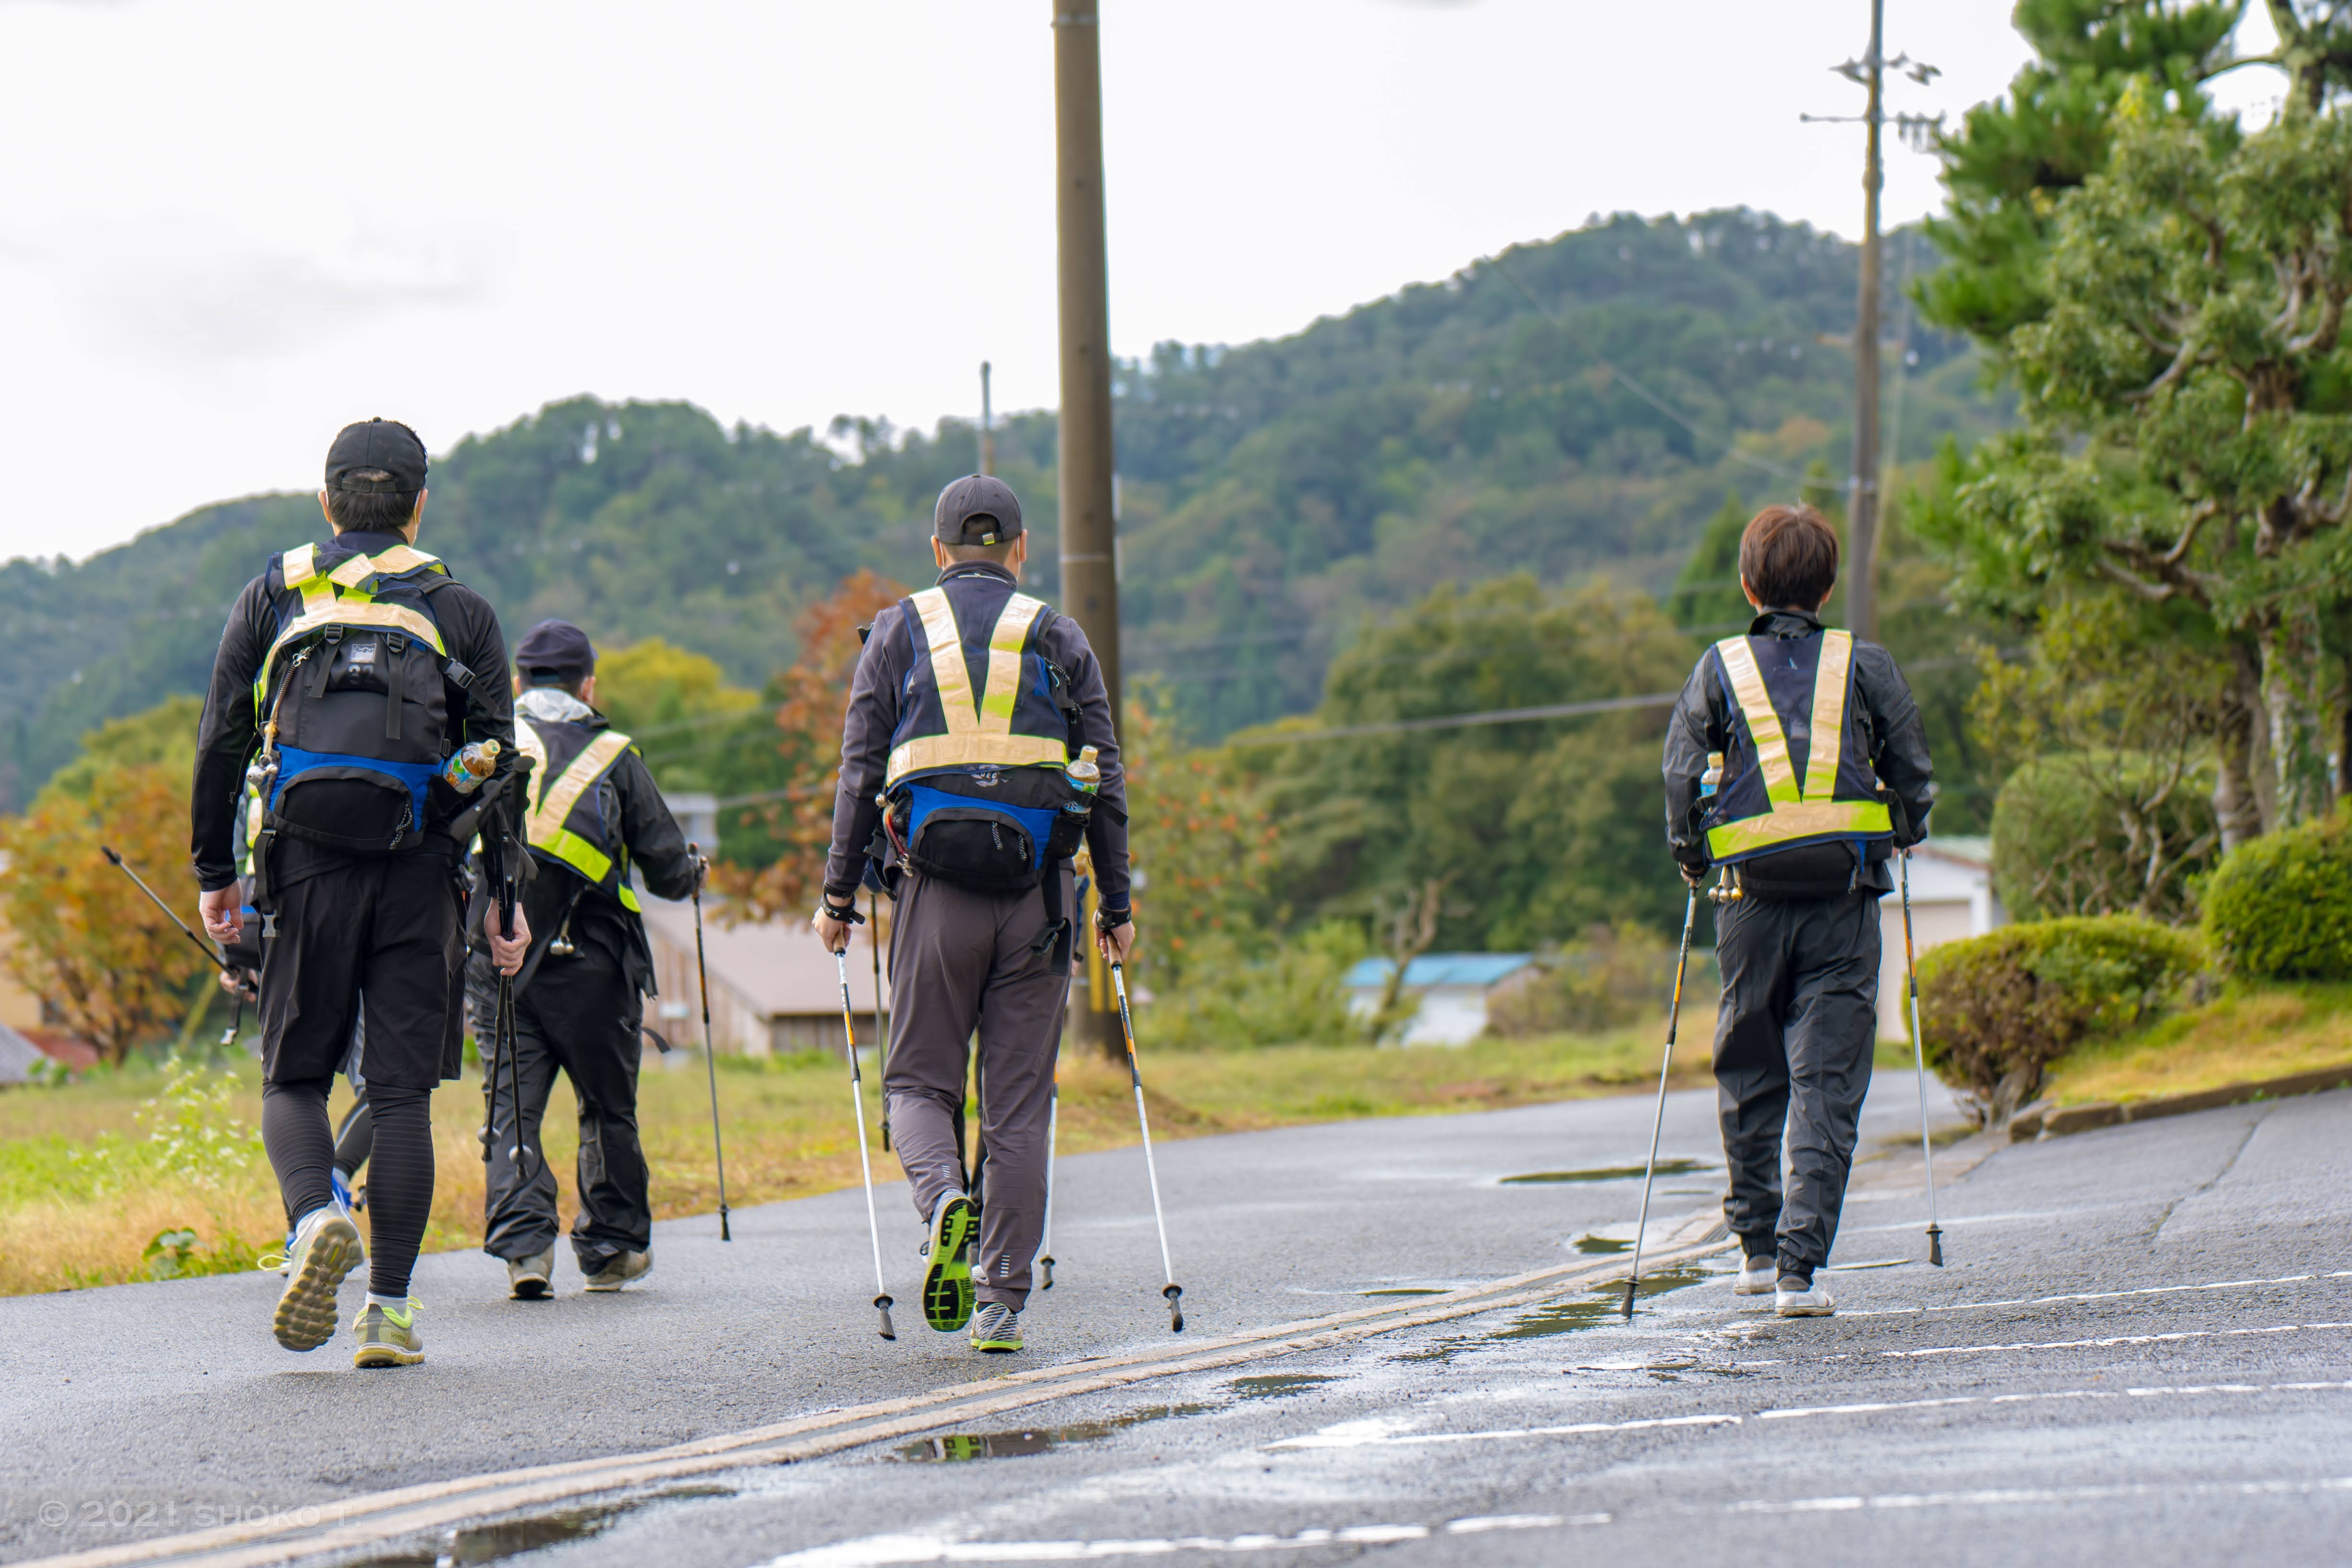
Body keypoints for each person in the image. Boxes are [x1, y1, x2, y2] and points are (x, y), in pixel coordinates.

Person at [193, 417, 530, 1368]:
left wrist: (215, 873)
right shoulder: (456, 607)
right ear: (419, 506)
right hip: (422, 872)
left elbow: (222, 734)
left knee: (295, 1077)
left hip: (302, 864)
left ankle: (312, 1217)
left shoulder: (277, 591)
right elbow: (498, 761)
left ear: (327, 500)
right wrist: (504, 895)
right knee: (400, 1094)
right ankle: (387, 1314)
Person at [813, 474, 1133, 1355]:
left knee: (918, 1083)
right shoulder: (1058, 633)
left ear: (938, 550)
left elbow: (856, 769)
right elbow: (1103, 779)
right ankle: (999, 1301)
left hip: (933, 896)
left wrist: (837, 896)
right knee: (1019, 1107)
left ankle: (943, 1201)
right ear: (1020, 550)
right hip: (1039, 899)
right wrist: (1116, 903)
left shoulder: (896, 629)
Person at [1661, 503, 1934, 1319]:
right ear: (1828, 584)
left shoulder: (1718, 668)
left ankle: (1752, 1249)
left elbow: (1681, 777)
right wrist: (1905, 828)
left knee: (1749, 1068)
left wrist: (1691, 853)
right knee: (1826, 1082)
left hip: (1745, 903)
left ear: (1747, 583)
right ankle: (1798, 1272)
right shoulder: (1866, 662)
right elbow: (1912, 768)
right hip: (1844, 904)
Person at [470, 618, 701, 1299]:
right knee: (606, 1104)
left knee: (512, 1100)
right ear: (589, 685)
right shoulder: (614, 755)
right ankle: (609, 1246)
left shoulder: (489, 749)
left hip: (497, 956)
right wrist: (694, 870)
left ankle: (525, 1249)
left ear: (516, 684)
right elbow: (666, 872)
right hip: (595, 963)